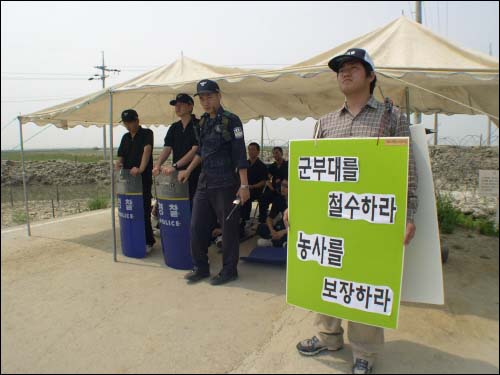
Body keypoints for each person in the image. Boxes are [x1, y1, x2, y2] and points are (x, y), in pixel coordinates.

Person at [292, 48, 419, 374]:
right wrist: (297, 206)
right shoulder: (325, 123)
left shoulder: (391, 118)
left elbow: (407, 171)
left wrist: (408, 215)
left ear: (371, 75)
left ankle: (364, 352)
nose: (344, 73)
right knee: (328, 275)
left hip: (370, 220)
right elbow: (311, 175)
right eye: (340, 69)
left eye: (353, 68)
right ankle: (328, 336)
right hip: (330, 220)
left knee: (365, 281)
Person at [178, 79, 250, 286]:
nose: (205, 101)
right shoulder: (203, 123)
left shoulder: (231, 121)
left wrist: (244, 185)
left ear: (219, 96)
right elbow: (202, 151)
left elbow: (239, 152)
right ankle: (200, 267)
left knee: (228, 229)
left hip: (226, 183)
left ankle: (229, 270)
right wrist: (188, 170)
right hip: (204, 182)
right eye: (202, 98)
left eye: (209, 96)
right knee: (196, 226)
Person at [115, 109, 156, 253]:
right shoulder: (125, 137)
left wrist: (140, 168)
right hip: (127, 180)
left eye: (130, 122)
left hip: (142, 179)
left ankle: (148, 241)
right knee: (129, 209)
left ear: (137, 120)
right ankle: (132, 236)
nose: (128, 125)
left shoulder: (146, 133)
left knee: (143, 209)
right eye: (125, 123)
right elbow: (121, 155)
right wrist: (118, 163)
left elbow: (147, 151)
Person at [152, 93, 200, 207]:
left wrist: (175, 166)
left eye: (181, 105)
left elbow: (195, 150)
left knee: (194, 204)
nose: (177, 108)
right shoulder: (174, 127)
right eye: (176, 105)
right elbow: (167, 148)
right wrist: (157, 165)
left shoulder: (198, 125)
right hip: (177, 174)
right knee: (179, 204)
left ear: (190, 106)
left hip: (195, 172)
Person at [240, 142, 268, 236]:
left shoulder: (262, 165)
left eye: (253, 150)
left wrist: (252, 186)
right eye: (249, 149)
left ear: (258, 151)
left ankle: (250, 220)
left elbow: (263, 181)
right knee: (238, 197)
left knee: (248, 197)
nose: (251, 152)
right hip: (245, 188)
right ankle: (240, 220)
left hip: (257, 189)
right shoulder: (245, 164)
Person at [259, 146, 289, 223]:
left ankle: (280, 219)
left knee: (278, 200)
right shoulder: (272, 166)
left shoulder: (287, 165)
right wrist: (269, 184)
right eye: (274, 154)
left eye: (277, 153)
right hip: (274, 189)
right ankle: (263, 221)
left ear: (281, 153)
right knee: (263, 198)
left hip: (284, 190)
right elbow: (267, 177)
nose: (275, 155)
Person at [257, 178, 288, 248]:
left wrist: (283, 232)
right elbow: (269, 218)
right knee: (261, 228)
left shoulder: (296, 202)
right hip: (280, 227)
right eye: (282, 185)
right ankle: (280, 242)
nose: (282, 188)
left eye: (286, 186)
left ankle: (273, 243)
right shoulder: (279, 199)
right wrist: (272, 230)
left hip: (289, 229)